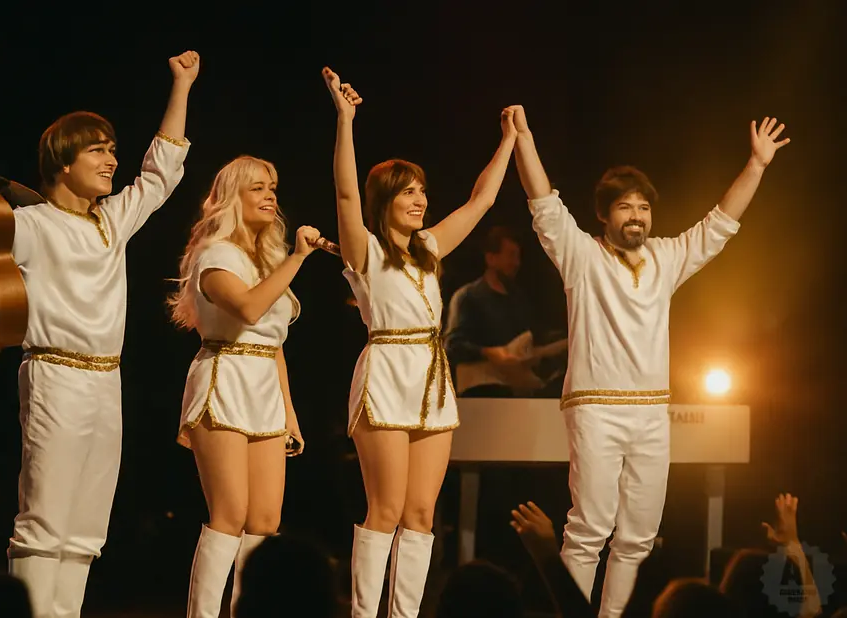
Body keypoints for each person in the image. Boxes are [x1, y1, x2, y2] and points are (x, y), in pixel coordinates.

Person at [0, 49, 201, 618]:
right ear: (61, 162)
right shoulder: (29, 224)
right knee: (45, 520)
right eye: (98, 150)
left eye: (112, 148)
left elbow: (161, 172)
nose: (112, 159)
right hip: (54, 374)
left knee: (86, 526)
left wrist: (180, 85)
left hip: (106, 383)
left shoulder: (111, 221)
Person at [510, 106, 789, 617]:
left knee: (638, 535)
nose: (636, 215)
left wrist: (757, 165)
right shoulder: (582, 255)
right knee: (589, 528)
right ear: (603, 214)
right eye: (624, 207)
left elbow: (720, 224)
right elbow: (544, 204)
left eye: (643, 207)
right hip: (595, 408)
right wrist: (524, 138)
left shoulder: (665, 257)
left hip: (652, 413)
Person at [322, 66, 518, 618]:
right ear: (385, 198)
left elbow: (479, 203)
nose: (420, 199)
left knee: (422, 514)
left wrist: (507, 142)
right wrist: (345, 120)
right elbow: (343, 191)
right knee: (383, 509)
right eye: (408, 191)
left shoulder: (430, 247)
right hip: (386, 372)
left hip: (432, 380)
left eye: (422, 191)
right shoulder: (363, 250)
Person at [168, 156, 324, 617]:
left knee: (265, 521)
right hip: (224, 379)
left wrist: (289, 413)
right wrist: (298, 256)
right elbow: (250, 310)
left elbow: (273, 343)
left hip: (264, 389)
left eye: (273, 186)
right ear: (233, 197)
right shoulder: (216, 255)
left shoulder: (269, 257)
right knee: (230, 515)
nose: (271, 195)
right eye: (257, 188)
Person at [444, 226, 565, 397]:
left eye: (518, 257)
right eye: (511, 256)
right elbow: (451, 345)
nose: (517, 263)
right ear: (491, 258)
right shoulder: (468, 297)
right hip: (480, 395)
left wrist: (565, 341)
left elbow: (532, 337)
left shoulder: (518, 299)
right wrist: (488, 353)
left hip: (515, 393)